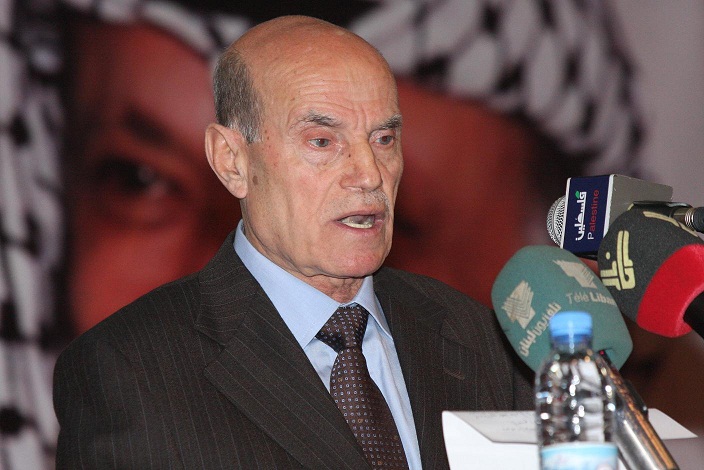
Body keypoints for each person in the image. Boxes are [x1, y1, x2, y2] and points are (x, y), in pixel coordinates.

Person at [52, 16, 533, 469]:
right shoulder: (128, 371)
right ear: (232, 161)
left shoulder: (482, 341)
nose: (369, 174)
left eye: (384, 139)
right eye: (322, 141)